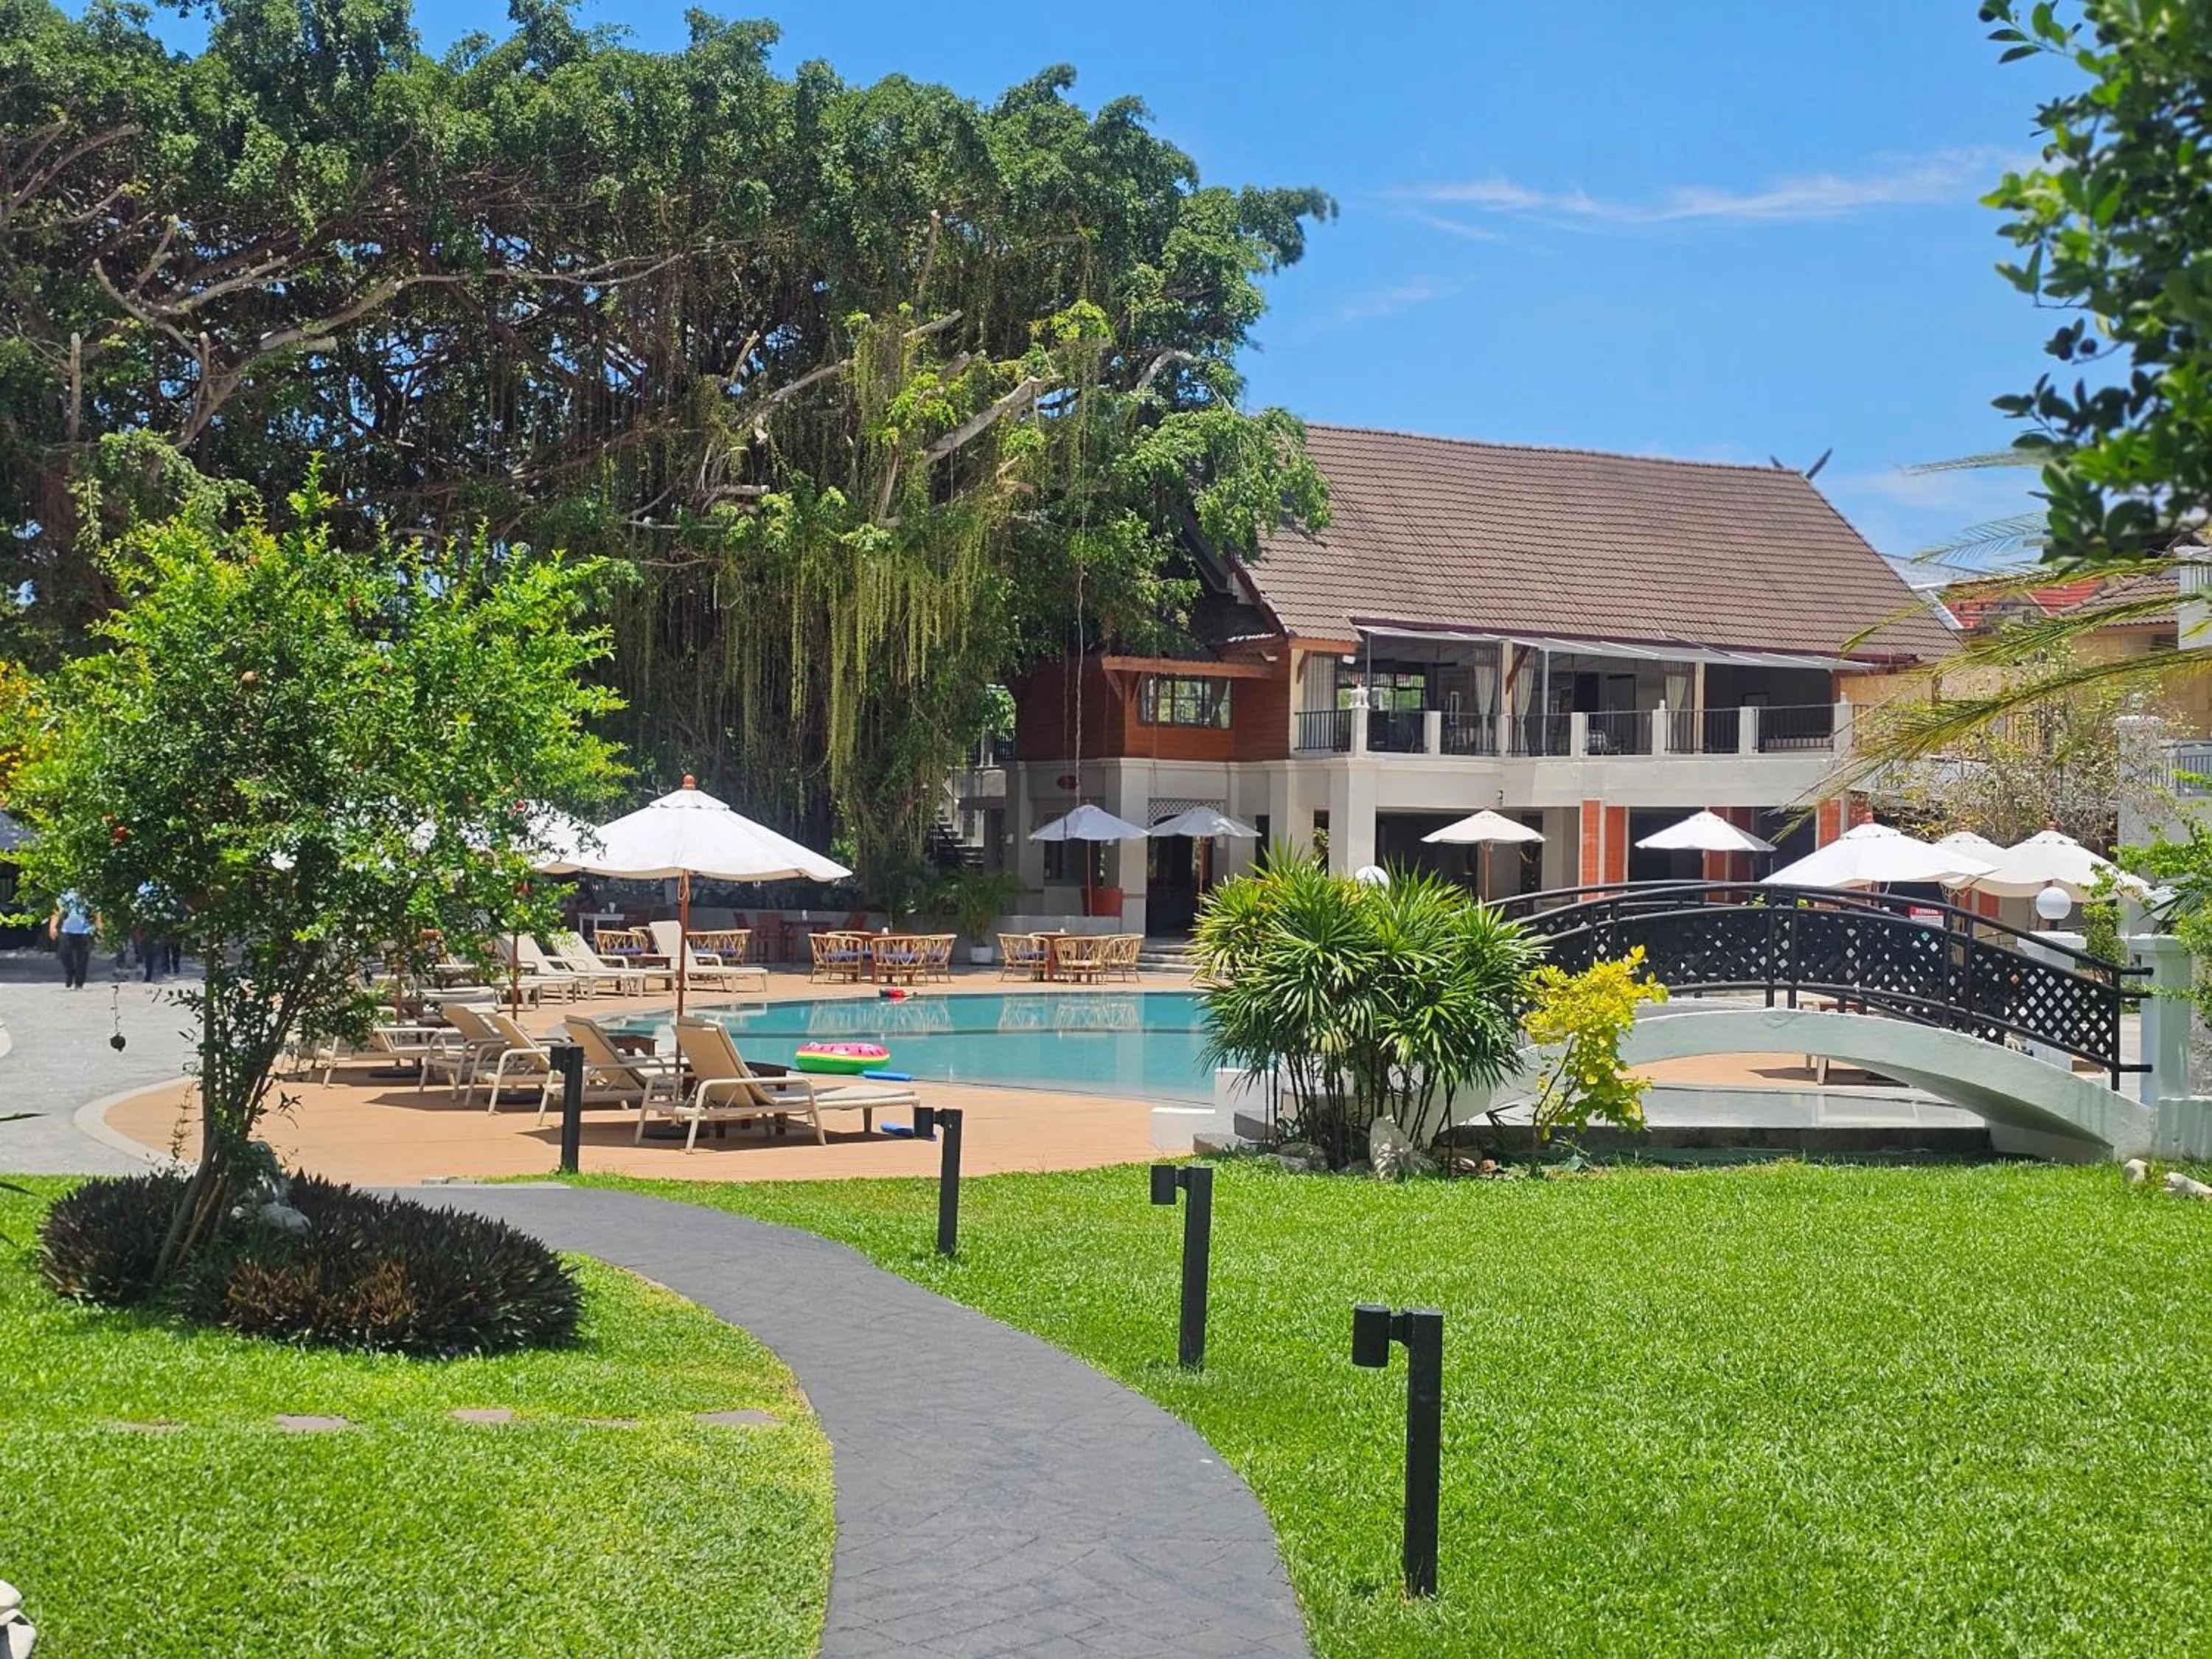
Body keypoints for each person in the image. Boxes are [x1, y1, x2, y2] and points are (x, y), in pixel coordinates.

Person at [49, 889, 98, 990]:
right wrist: (53, 927)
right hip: (67, 929)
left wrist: (99, 927)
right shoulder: (65, 896)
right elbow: (57, 912)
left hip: (85, 930)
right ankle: (70, 972)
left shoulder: (90, 897)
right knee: (63, 953)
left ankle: (79, 982)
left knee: (83, 957)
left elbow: (96, 913)